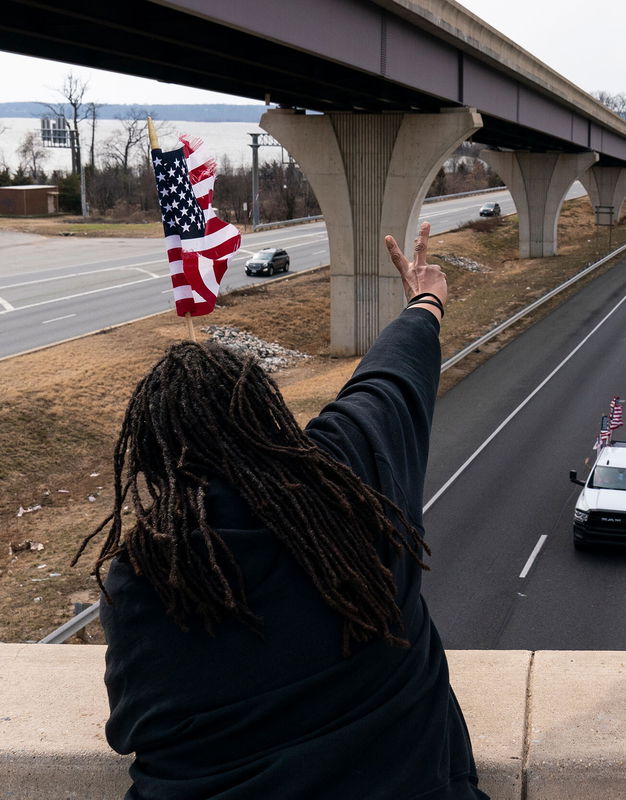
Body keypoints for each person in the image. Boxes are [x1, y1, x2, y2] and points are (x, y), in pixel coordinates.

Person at [75, 222, 489, 799]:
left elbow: (133, 727)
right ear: (268, 415)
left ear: (153, 461)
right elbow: (390, 381)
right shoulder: (350, 479)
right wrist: (425, 302)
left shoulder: (147, 581)